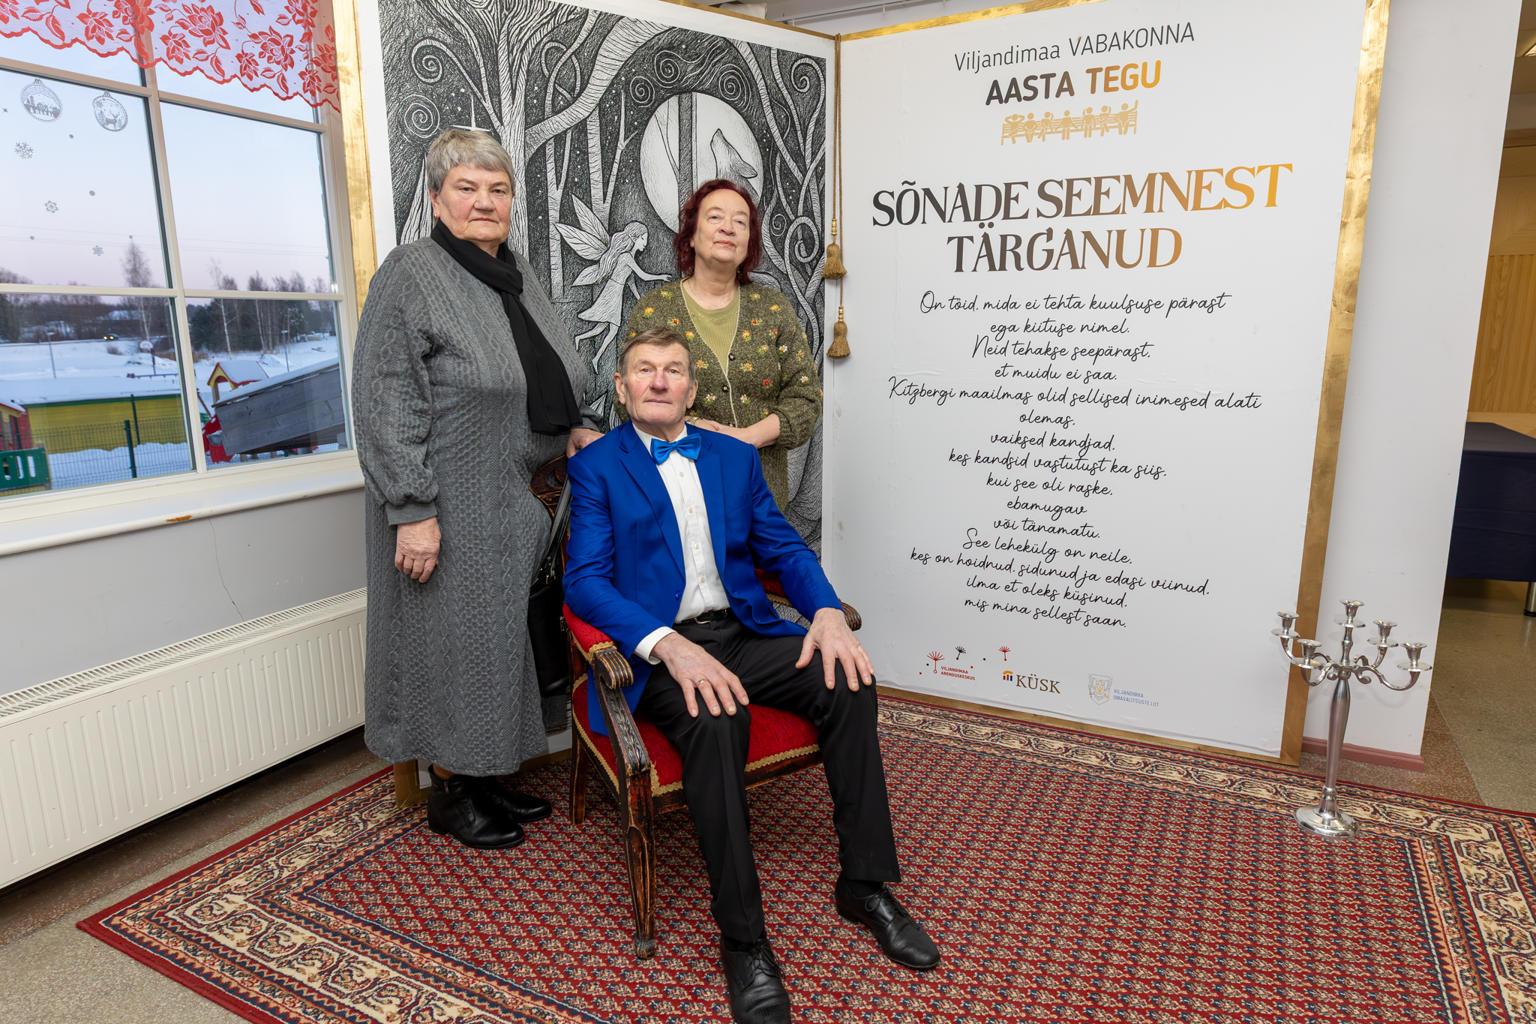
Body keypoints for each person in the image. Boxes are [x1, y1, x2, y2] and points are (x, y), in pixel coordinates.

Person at [565, 327, 938, 1024]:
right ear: (621, 388)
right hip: (663, 650)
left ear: (691, 390)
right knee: (717, 717)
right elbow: (584, 582)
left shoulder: (733, 459)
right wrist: (667, 646)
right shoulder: (598, 468)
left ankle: (864, 885)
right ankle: (744, 941)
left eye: (673, 370)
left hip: (742, 630)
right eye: (643, 369)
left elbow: (782, 548)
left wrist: (825, 611)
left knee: (848, 681)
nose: (658, 380)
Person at [353, 128, 602, 851]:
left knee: (498, 647)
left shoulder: (515, 276)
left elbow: (549, 374)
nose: (485, 202)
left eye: (498, 189)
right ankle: (452, 793)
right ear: (437, 199)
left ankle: (486, 776)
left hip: (515, 503)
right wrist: (411, 510)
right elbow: (385, 398)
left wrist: (575, 426)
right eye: (467, 188)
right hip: (447, 500)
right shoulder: (412, 272)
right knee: (452, 646)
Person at [622, 179, 821, 511]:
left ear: (748, 242)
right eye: (715, 217)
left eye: (740, 222)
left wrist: (750, 438)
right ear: (691, 235)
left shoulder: (773, 309)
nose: (728, 227)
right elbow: (630, 396)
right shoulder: (655, 311)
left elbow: (806, 398)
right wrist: (690, 428)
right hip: (677, 500)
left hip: (760, 503)